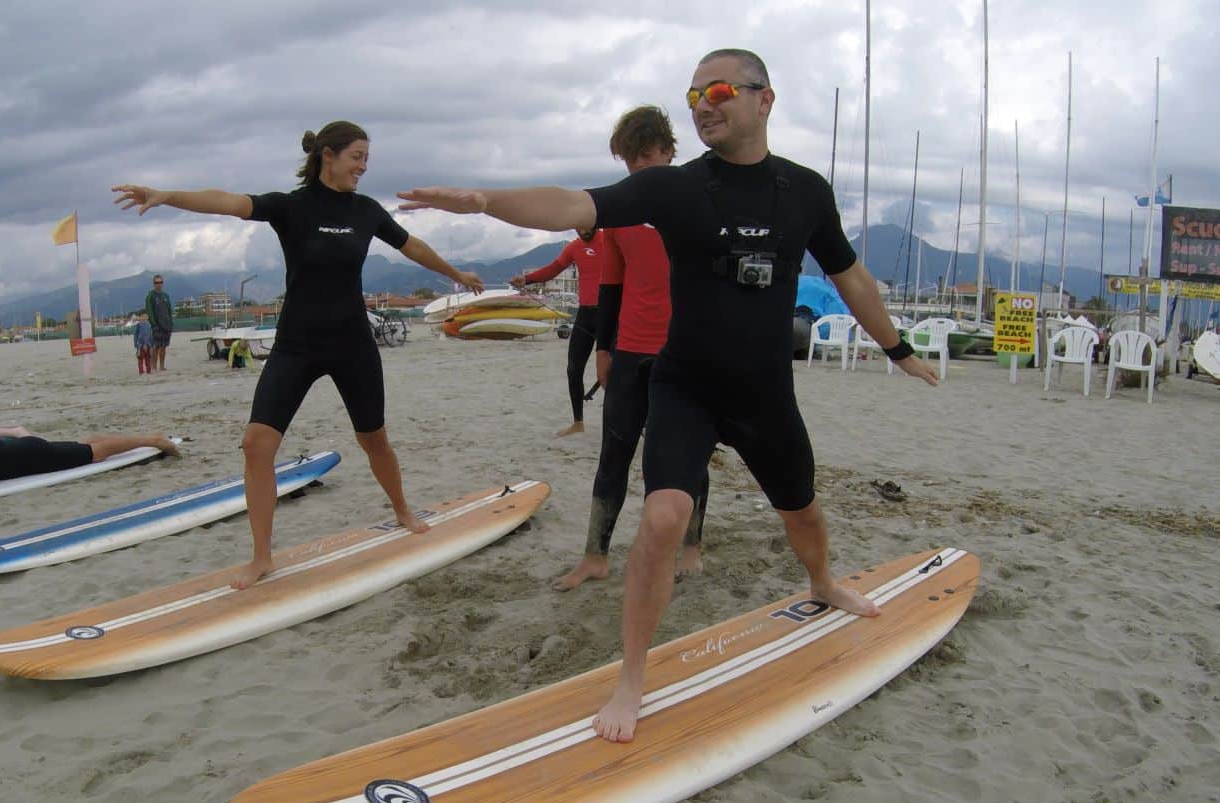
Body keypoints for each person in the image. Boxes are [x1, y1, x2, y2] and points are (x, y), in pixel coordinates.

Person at [401, 48, 939, 741]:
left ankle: (823, 583)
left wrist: (896, 348)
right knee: (662, 518)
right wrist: (483, 201)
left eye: (717, 90)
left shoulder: (805, 191)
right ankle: (631, 679)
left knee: (802, 512)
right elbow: (576, 204)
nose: (702, 104)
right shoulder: (678, 189)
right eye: (692, 96)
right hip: (685, 384)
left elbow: (852, 277)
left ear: (763, 99)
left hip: (766, 393)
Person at [113, 119, 484, 589]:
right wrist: (166, 195)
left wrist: (457, 273)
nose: (363, 167)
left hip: (352, 343)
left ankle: (402, 509)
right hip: (296, 344)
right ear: (327, 155)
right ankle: (263, 556)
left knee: (374, 441)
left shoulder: (367, 211)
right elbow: (227, 202)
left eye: (367, 159)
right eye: (357, 157)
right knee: (256, 445)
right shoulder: (291, 207)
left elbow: (412, 247)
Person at [553, 105, 710, 593]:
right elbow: (611, 286)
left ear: (668, 150)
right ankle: (595, 556)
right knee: (612, 456)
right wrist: (604, 348)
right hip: (630, 352)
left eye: (645, 157)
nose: (637, 169)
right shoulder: (619, 212)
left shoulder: (700, 201)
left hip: (686, 353)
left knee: (688, 460)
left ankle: (691, 546)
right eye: (629, 161)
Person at [0, 420, 179, 501]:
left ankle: (151, 441)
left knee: (94, 454)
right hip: (24, 452)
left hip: (29, 458)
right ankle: (142, 436)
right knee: (87, 446)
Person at [513, 231, 607, 437]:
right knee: (573, 369)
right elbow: (553, 269)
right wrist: (526, 279)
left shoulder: (610, 239)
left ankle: (621, 424)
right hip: (585, 314)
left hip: (610, 314)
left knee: (611, 374)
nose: (581, 229)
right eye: (576, 226)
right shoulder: (574, 246)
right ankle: (578, 422)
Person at [145, 275, 174, 371]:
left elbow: (169, 310)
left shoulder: (166, 296)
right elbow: (149, 311)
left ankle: (162, 366)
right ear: (153, 284)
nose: (159, 284)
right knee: (155, 346)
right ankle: (153, 367)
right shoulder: (150, 296)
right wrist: (154, 324)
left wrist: (170, 323)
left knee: (164, 347)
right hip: (156, 326)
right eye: (156, 282)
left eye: (160, 282)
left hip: (166, 325)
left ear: (163, 283)